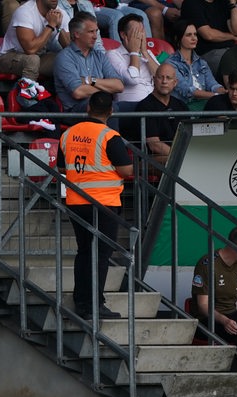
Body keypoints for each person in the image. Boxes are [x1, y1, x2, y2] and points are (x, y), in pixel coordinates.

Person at [58, 92, 133, 320]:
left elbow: (62, 169)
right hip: (105, 204)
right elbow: (127, 171)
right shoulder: (110, 136)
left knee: (84, 251)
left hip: (76, 202)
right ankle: (95, 304)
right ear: (111, 111)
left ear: (88, 107)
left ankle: (81, 301)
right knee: (100, 255)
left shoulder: (68, 133)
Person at [190, 227, 237, 360]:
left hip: (232, 315)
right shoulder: (207, 264)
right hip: (207, 319)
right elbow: (203, 306)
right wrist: (224, 320)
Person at [54, 12, 124, 111]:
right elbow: (78, 92)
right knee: (110, 107)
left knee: (138, 107)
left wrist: (90, 81)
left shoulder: (99, 55)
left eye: (96, 31)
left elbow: (119, 86)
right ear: (77, 34)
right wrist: (107, 88)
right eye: (91, 32)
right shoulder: (64, 57)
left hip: (101, 103)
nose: (95, 36)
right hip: (76, 110)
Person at [0, 0, 72, 81]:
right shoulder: (25, 11)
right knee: (33, 60)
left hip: (40, 57)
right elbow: (30, 49)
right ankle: (27, 92)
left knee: (67, 60)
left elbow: (70, 49)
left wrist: (59, 27)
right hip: (8, 58)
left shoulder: (60, 14)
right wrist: (51, 25)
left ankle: (69, 93)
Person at [134, 63, 189, 163]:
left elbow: (188, 138)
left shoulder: (181, 106)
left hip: (177, 156)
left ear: (175, 82)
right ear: (154, 79)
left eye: (168, 78)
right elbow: (154, 145)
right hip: (151, 159)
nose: (164, 81)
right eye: (160, 77)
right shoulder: (145, 106)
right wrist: (181, 156)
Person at [167, 20, 227, 110]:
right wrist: (216, 96)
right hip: (183, 107)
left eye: (195, 34)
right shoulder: (170, 63)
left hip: (204, 103)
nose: (194, 38)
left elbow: (213, 85)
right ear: (177, 38)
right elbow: (187, 91)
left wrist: (224, 91)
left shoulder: (201, 62)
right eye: (188, 35)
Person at [180, 0, 237, 76]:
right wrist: (232, 36)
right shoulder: (191, 3)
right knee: (232, 65)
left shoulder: (223, 2)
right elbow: (208, 35)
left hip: (230, 49)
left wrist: (233, 4)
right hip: (207, 53)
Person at [107, 13, 159, 104]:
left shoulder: (147, 53)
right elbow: (133, 80)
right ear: (123, 35)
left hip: (153, 103)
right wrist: (134, 52)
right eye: (136, 32)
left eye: (142, 32)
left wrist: (145, 53)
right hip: (130, 106)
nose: (141, 36)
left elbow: (161, 78)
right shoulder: (112, 54)